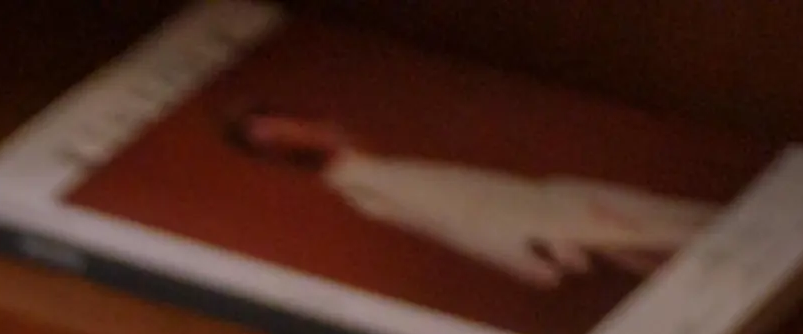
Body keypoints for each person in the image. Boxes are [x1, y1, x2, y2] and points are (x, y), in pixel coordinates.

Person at [223, 104, 719, 294]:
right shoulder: (359, 185)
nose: (290, 133)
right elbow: (449, 217)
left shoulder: (364, 147)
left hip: (539, 195)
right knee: (634, 238)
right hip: (530, 219)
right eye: (273, 138)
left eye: (281, 124)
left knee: (638, 217)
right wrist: (519, 242)